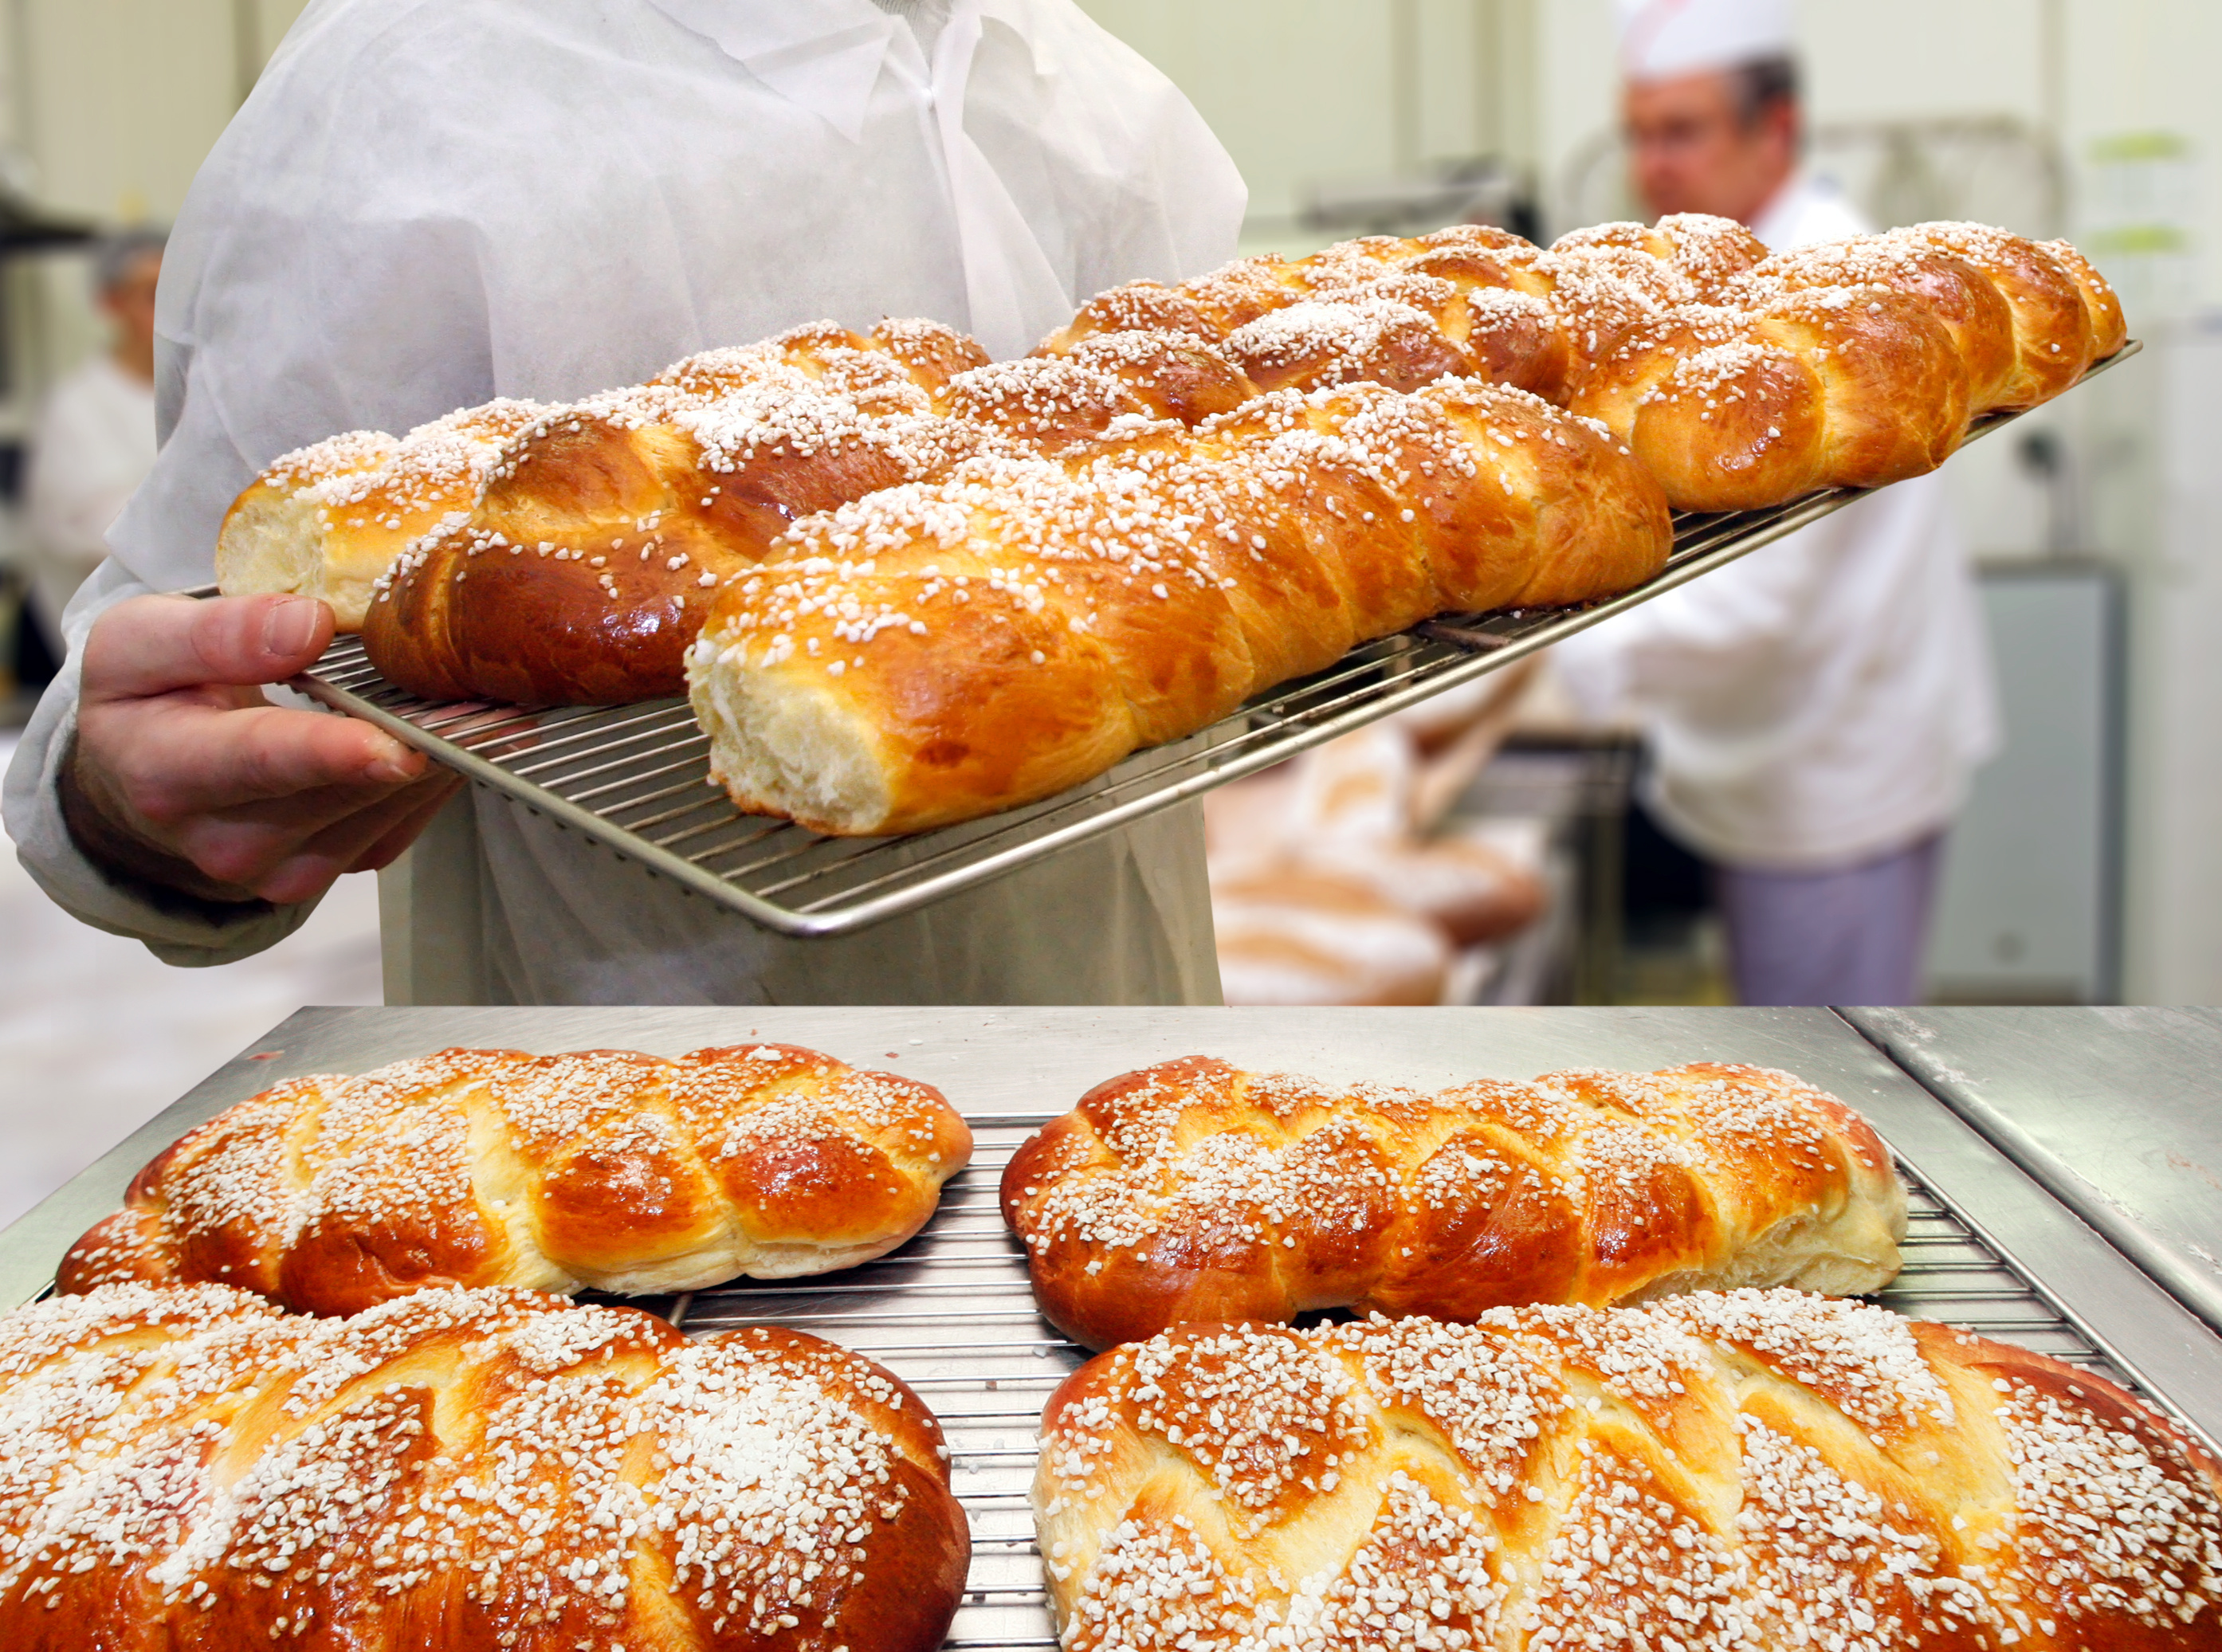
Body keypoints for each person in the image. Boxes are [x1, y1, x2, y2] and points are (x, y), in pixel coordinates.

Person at [2, 0, 1243, 1004]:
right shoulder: (410, 90)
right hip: (626, 1076)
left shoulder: (1086, 85)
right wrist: (130, 806)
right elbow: (177, 674)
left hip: (1122, 1019)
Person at [1552, 0, 2000, 1007]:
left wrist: (1554, 664)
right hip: (1779, 759)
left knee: (1829, 1055)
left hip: (1832, 779)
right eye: (1638, 134)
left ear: (1777, 130)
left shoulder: (1823, 291)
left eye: (1682, 131)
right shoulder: (1729, 284)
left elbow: (1757, 602)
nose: (1652, 165)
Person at [19, 230, 165, 659]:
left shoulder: (197, 393)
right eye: (152, 294)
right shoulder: (76, 409)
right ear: (111, 304)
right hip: (109, 646)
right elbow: (117, 542)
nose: (172, 310)